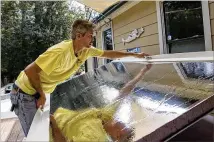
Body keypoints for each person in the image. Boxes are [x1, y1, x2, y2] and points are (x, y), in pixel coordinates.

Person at [10, 19, 149, 136]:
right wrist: (42, 95)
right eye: (90, 36)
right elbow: (30, 70)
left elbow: (108, 54)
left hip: (37, 92)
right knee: (36, 135)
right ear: (78, 36)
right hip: (24, 93)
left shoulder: (85, 51)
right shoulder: (60, 51)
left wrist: (136, 56)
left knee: (43, 132)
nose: (92, 39)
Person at [50, 64, 152, 142]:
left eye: (122, 125)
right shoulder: (108, 116)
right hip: (55, 116)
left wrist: (54, 125)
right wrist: (142, 72)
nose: (121, 121)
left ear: (117, 135)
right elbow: (124, 93)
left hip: (47, 131)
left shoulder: (94, 137)